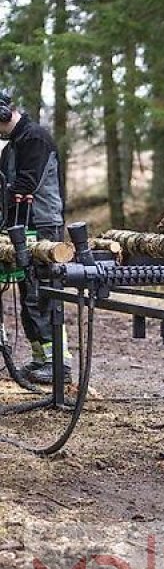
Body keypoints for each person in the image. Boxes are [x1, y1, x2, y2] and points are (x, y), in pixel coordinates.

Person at [0, 88, 71, 384]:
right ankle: (40, 358)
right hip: (19, 224)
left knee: (42, 293)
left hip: (43, 225)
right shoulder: (11, 146)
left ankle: (59, 365)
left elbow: (27, 182)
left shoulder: (35, 139)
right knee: (27, 294)